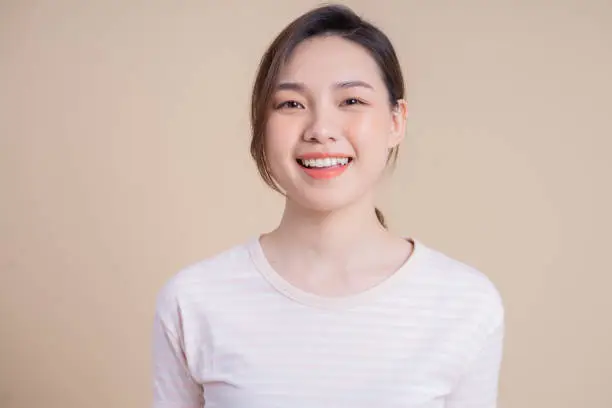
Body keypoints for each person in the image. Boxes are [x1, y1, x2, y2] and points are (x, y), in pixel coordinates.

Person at [151, 4, 505, 408]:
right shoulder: (193, 300)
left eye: (351, 101)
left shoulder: (465, 303)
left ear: (396, 121)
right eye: (291, 104)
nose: (320, 130)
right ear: (261, 126)